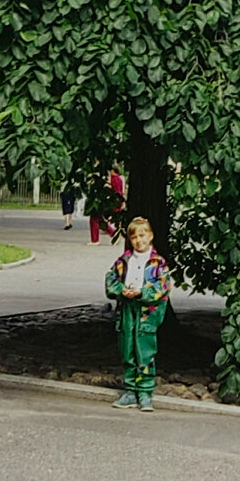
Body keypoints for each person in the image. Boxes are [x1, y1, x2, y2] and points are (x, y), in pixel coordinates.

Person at [104, 217, 171, 412]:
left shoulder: (158, 263)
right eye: (134, 237)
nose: (139, 240)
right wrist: (121, 290)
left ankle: (145, 391)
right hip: (127, 309)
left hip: (146, 313)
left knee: (145, 351)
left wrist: (143, 293)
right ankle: (130, 390)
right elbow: (110, 281)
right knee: (127, 349)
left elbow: (163, 287)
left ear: (150, 236)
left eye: (142, 235)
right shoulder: (123, 261)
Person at [88, 164, 125, 245]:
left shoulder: (114, 179)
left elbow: (112, 190)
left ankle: (95, 239)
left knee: (95, 218)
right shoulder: (119, 179)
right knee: (100, 219)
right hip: (117, 200)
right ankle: (113, 233)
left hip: (109, 201)